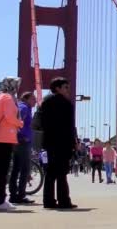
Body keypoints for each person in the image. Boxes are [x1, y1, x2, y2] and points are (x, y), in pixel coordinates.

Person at [0, 77, 25, 211]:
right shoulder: (8, 98)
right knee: (2, 171)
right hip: (5, 137)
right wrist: (20, 123)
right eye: (17, 85)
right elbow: (9, 117)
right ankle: (0, 200)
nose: (18, 87)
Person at [41, 77, 78, 209]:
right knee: (62, 173)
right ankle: (64, 201)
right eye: (66, 87)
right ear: (58, 88)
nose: (68, 90)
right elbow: (70, 126)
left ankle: (48, 201)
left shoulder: (45, 102)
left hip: (49, 142)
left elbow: (41, 123)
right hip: (63, 143)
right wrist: (74, 142)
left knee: (50, 173)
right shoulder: (67, 104)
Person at [9, 92, 36, 204]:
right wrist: (22, 136)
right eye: (33, 99)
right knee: (24, 169)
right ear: (26, 98)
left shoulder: (22, 107)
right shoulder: (24, 108)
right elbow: (17, 122)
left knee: (16, 169)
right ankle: (21, 195)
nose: (35, 101)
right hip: (23, 142)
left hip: (18, 141)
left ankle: (13, 195)